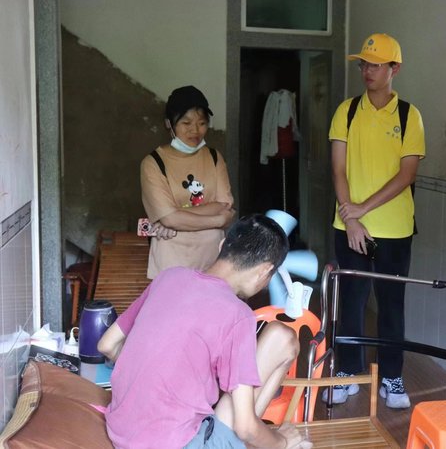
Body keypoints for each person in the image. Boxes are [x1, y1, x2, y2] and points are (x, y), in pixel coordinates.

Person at [97, 215, 311, 449]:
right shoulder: (238, 314)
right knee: (283, 338)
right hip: (177, 444)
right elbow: (246, 428)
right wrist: (282, 442)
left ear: (222, 246)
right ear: (265, 271)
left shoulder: (169, 277)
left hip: (121, 433)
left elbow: (106, 345)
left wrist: (152, 377)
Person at [324, 33, 425, 409]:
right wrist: (351, 218)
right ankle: (347, 372)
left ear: (394, 68)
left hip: (395, 230)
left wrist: (361, 208)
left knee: (391, 305)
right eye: (364, 64)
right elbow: (338, 169)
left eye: (376, 65)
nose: (367, 70)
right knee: (351, 302)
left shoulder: (409, 115)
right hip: (349, 227)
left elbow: (407, 174)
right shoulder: (347, 111)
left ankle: (392, 377)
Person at [141, 85, 235, 279]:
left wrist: (174, 216)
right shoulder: (153, 163)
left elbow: (224, 204)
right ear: (169, 124)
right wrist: (218, 220)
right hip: (171, 260)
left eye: (202, 123)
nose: (195, 130)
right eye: (186, 123)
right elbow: (170, 219)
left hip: (213, 258)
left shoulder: (214, 157)